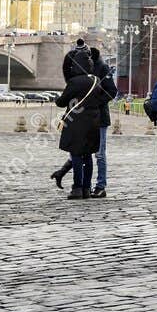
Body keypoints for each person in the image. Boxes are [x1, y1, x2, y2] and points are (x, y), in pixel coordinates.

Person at [58, 49, 113, 200]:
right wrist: (94, 104)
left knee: (76, 154)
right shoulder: (95, 80)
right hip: (93, 123)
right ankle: (87, 188)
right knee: (88, 155)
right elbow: (103, 95)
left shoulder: (74, 82)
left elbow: (61, 102)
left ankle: (77, 188)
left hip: (76, 124)